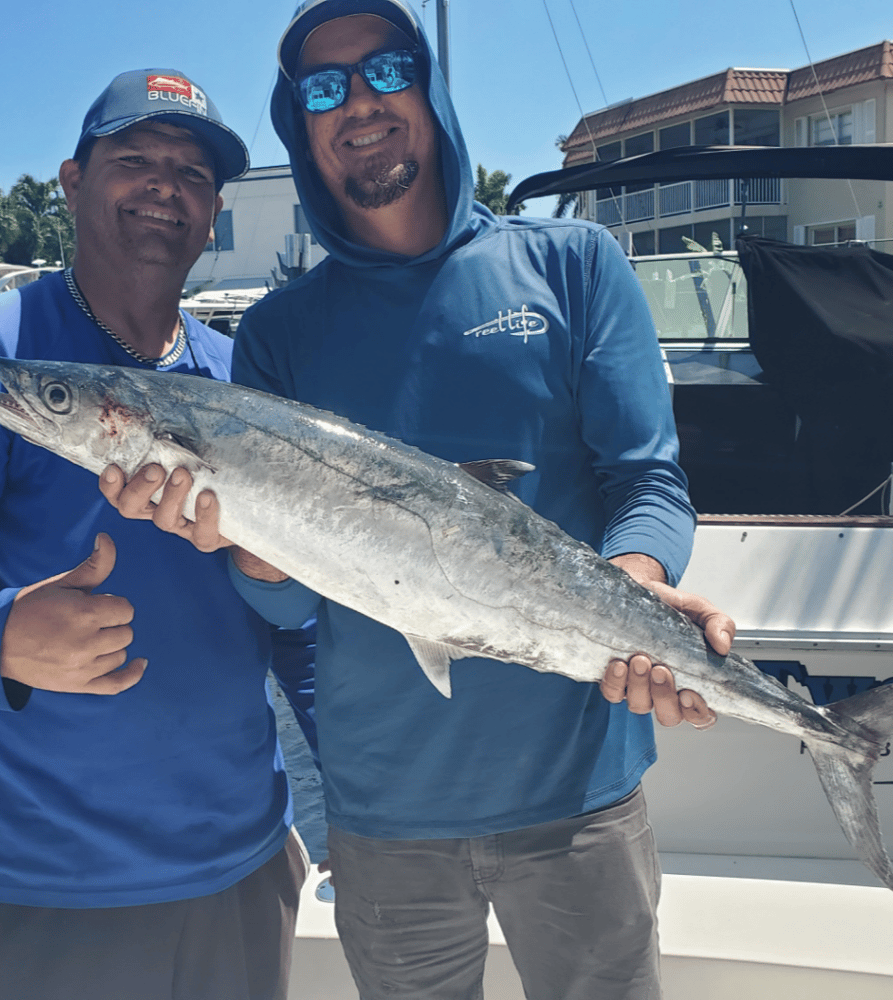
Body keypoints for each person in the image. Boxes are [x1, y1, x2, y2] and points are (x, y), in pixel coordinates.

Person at [103, 5, 736, 998]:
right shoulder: (278, 334)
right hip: (383, 812)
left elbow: (646, 480)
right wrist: (252, 541)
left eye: (383, 68)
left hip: (578, 790)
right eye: (323, 87)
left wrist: (639, 587)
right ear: (298, 123)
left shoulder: (571, 267)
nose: (357, 101)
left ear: (430, 87)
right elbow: (287, 604)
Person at [0, 69, 316, 1000]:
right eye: (134, 159)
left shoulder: (245, 378)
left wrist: (356, 788)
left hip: (245, 866)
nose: (163, 185)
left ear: (213, 207)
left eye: (191, 172)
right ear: (71, 181)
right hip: (41, 889)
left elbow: (297, 621)